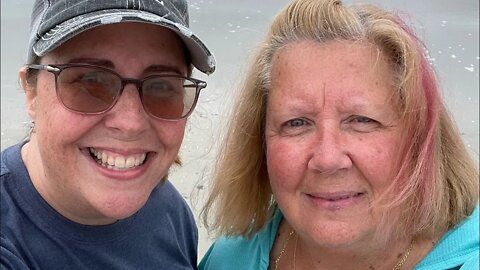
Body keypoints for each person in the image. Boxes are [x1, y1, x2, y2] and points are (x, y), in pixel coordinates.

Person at [199, 0, 479, 269]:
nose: (328, 159)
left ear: (421, 138)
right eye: (297, 123)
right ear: (259, 144)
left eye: (361, 120)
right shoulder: (231, 257)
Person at [0, 0, 216, 269]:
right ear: (31, 93)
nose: (131, 123)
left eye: (161, 85)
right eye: (90, 81)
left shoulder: (169, 209)